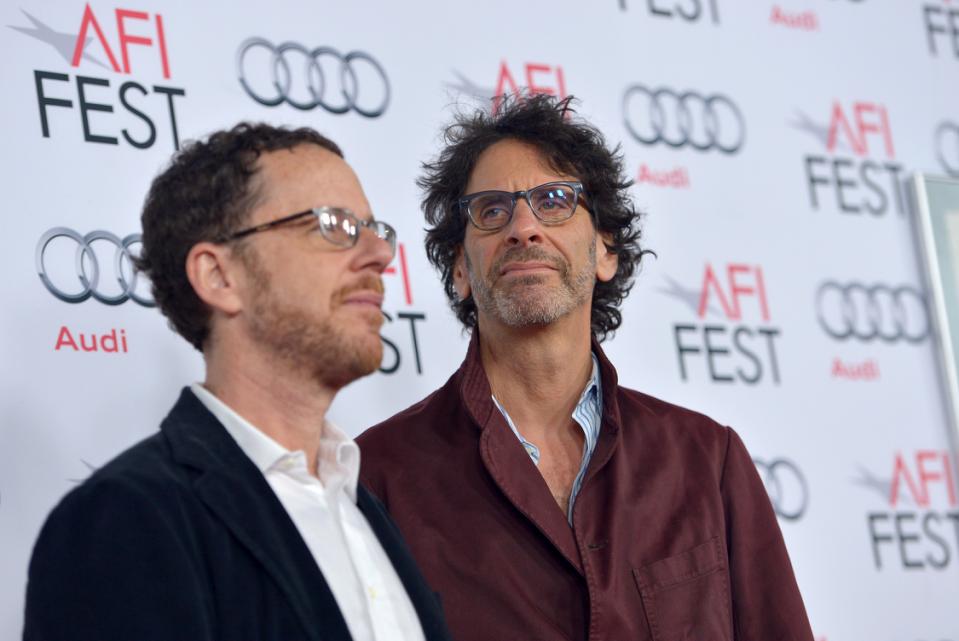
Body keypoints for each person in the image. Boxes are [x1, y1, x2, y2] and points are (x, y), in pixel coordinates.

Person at [357, 96, 815, 641]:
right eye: (493, 209)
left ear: (605, 250)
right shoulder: (375, 477)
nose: (523, 228)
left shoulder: (706, 459)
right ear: (460, 268)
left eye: (554, 200)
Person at [23, 123, 451, 641]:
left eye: (373, 229)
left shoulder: (361, 504)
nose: (381, 257)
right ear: (219, 277)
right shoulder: (125, 519)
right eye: (333, 225)